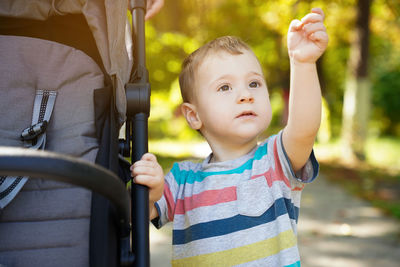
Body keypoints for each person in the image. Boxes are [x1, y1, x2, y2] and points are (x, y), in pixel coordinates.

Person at [131, 7, 328, 266]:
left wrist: (302, 63)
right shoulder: (182, 181)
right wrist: (152, 190)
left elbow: (304, 129)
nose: (246, 95)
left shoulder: (274, 162)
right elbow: (144, 210)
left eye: (254, 83)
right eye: (225, 87)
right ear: (193, 115)